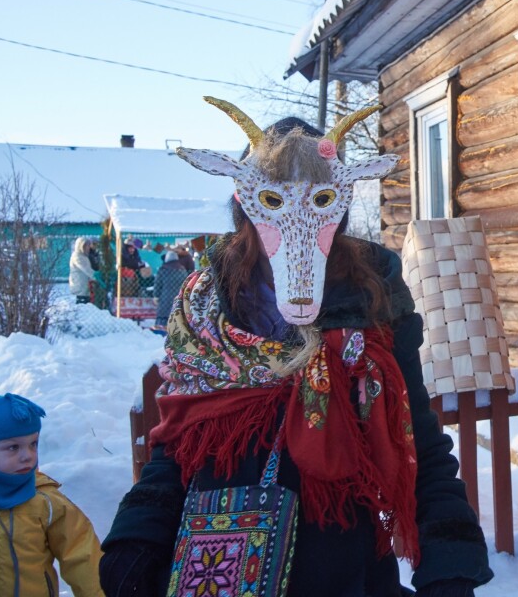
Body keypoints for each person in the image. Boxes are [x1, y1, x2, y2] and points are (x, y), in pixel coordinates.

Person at [99, 104, 493, 597]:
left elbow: (418, 438)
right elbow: (178, 442)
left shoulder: (372, 302)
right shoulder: (206, 305)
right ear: (246, 204)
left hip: (345, 566)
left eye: (318, 199)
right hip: (221, 566)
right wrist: (138, 538)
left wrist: (449, 563)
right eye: (274, 199)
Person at [0, 392, 104, 596]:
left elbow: (83, 558)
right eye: (13, 447)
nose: (27, 455)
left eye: (33, 444)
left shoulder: (45, 502)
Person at [153, 250, 188, 330]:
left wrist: (156, 296)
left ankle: (161, 328)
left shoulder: (163, 269)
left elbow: (158, 284)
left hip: (165, 297)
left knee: (163, 315)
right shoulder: (182, 269)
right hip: (178, 297)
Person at [69, 237, 96, 304]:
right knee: (82, 304)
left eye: (88, 245)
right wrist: (97, 276)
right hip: (80, 286)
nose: (88, 248)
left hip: (85, 286)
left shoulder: (84, 256)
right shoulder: (77, 256)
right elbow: (87, 270)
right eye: (86, 246)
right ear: (81, 246)